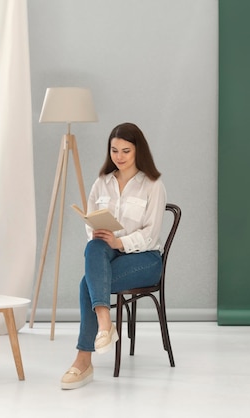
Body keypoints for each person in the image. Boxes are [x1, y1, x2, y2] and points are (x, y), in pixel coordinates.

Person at [61, 122, 167, 390]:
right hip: (108, 257)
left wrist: (119, 241)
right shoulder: (101, 183)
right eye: (114, 150)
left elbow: (152, 235)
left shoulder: (153, 185)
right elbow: (90, 224)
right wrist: (101, 233)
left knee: (88, 284)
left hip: (145, 260)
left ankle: (83, 360)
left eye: (126, 151)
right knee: (94, 246)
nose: (119, 157)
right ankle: (105, 324)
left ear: (138, 151)